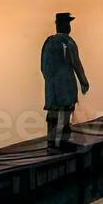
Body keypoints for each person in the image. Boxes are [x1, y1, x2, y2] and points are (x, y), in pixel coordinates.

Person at [41, 12, 90, 151]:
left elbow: (43, 67)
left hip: (52, 87)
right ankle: (63, 141)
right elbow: (76, 64)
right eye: (67, 23)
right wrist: (83, 81)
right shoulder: (68, 42)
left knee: (53, 114)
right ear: (62, 25)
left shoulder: (48, 43)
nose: (69, 26)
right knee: (66, 113)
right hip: (66, 85)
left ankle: (51, 142)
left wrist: (50, 82)